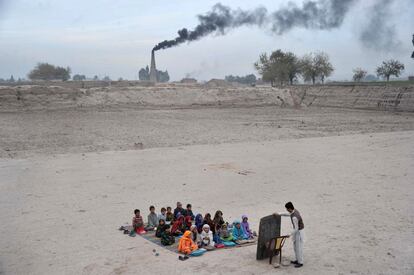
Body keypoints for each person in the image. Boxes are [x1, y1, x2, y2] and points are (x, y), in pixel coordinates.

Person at [276, 202, 305, 268]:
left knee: (298, 248)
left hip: (299, 232)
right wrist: (279, 213)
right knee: (295, 247)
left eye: (287, 209)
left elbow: (296, 228)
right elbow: (288, 214)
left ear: (289, 208)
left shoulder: (294, 217)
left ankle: (300, 262)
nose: (286, 210)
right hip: (298, 231)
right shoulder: (295, 211)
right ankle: (297, 260)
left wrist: (289, 234)